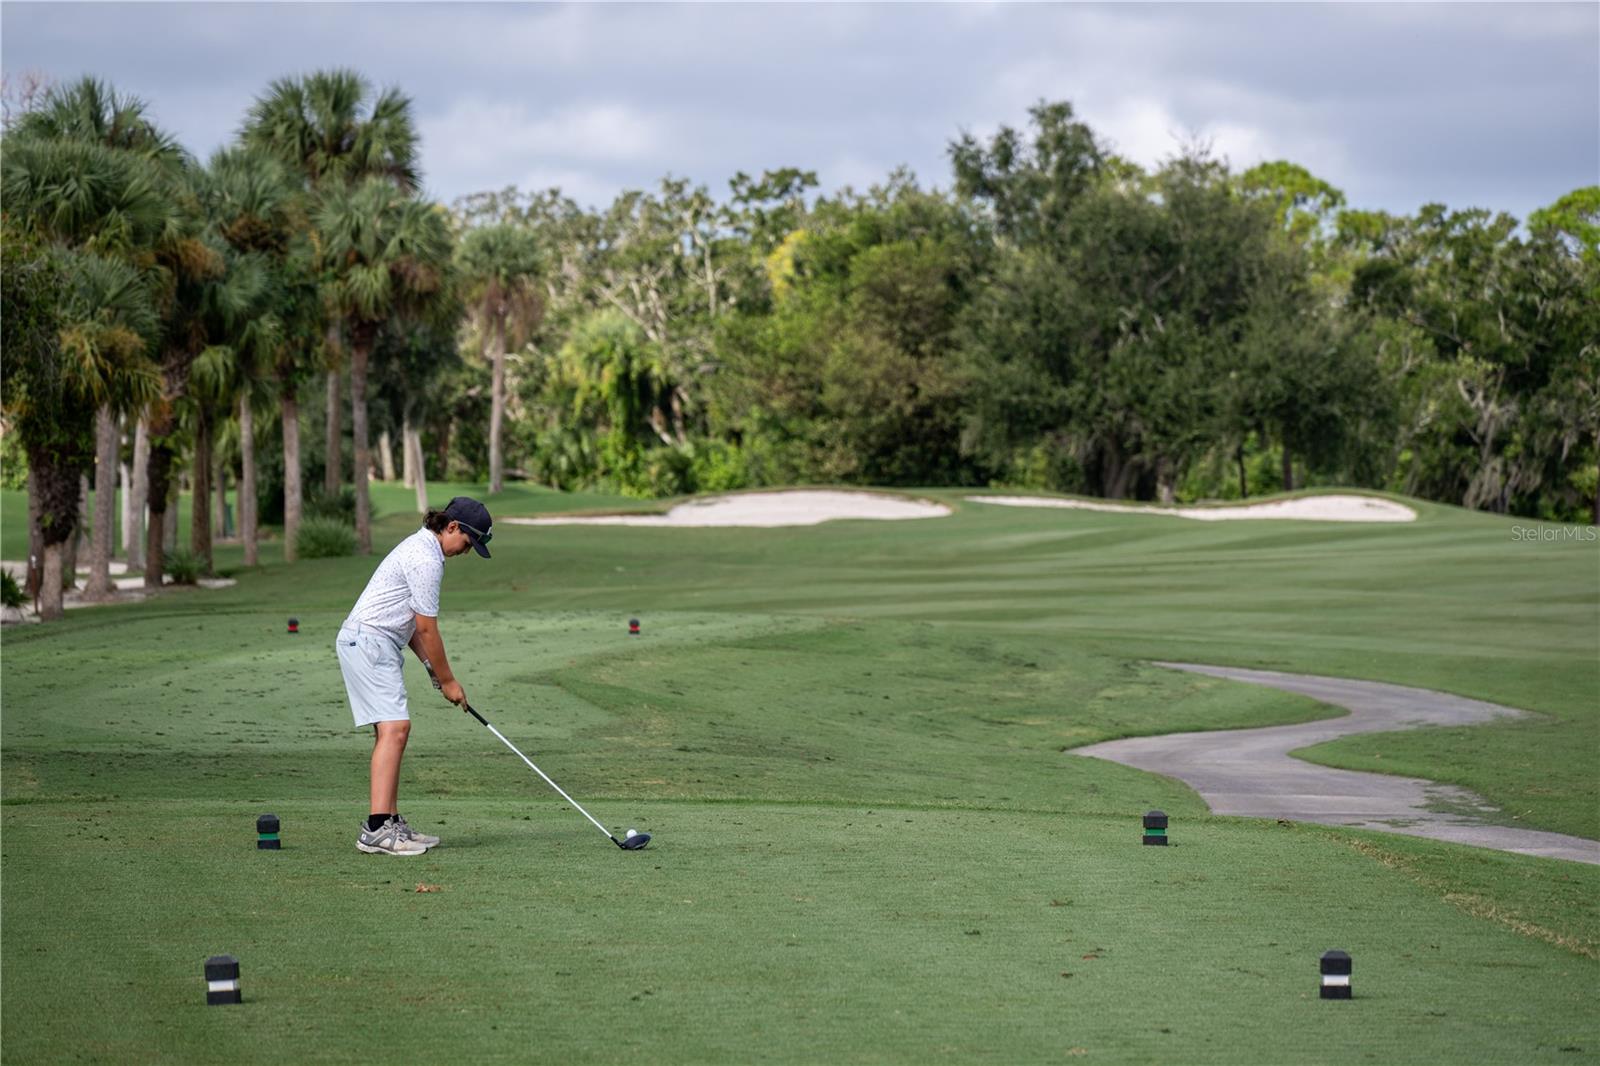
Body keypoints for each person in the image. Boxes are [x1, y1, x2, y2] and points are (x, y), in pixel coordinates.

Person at [335, 496, 493, 855]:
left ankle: (389, 823)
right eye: (469, 543)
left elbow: (409, 626)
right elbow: (426, 629)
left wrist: (431, 670)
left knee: (391, 731)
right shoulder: (426, 560)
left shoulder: (422, 547)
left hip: (375, 641)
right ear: (452, 527)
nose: (467, 551)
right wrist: (449, 680)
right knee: (395, 729)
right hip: (370, 642)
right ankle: (377, 829)